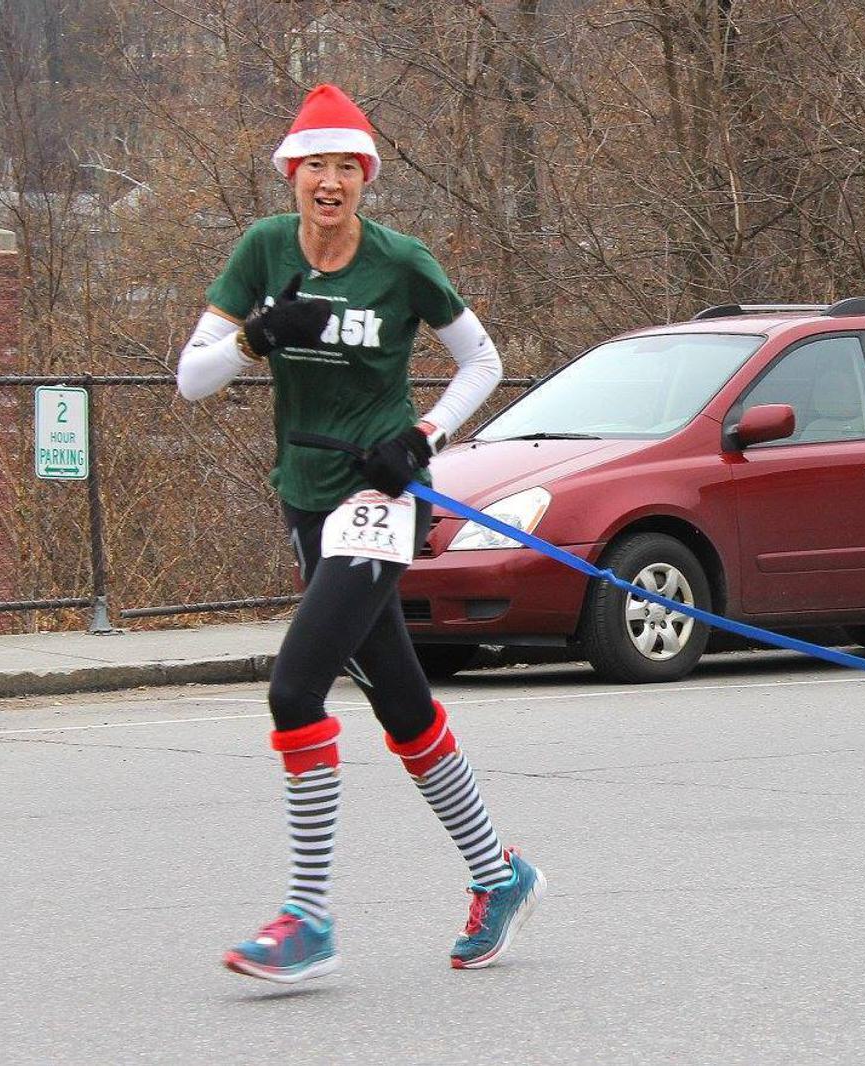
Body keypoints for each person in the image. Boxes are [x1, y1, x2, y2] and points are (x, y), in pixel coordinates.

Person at [176, 83, 543, 983]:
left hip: (381, 501)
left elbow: (481, 361)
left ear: (365, 178)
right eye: (315, 168)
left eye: (347, 167)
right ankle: (501, 875)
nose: (330, 182)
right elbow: (191, 380)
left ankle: (308, 916)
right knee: (403, 705)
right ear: (292, 177)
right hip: (305, 496)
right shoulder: (262, 250)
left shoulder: (400, 262)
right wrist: (258, 337)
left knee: (295, 689)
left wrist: (421, 435)